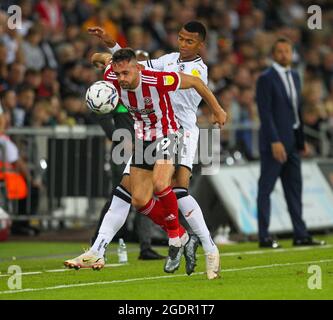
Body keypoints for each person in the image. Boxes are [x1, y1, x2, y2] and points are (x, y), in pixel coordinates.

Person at [65, 47, 226, 278]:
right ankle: (179, 235)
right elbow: (102, 59)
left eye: (126, 74)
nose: (121, 79)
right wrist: (97, 58)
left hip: (169, 134)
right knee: (139, 200)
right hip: (142, 138)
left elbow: (195, 83)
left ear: (138, 68)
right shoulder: (113, 75)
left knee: (162, 184)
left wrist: (217, 110)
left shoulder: (157, 79)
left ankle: (176, 240)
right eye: (118, 75)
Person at [90, 50, 165, 261]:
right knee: (119, 196)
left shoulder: (148, 91)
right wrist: (119, 138)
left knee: (145, 195)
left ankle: (145, 246)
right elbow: (99, 112)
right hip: (122, 152)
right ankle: (96, 242)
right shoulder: (116, 92)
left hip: (145, 148)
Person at [256, 37, 326, 248]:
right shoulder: (266, 78)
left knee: (294, 189)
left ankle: (300, 233)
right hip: (274, 143)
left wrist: (301, 140)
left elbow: (296, 111)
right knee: (266, 188)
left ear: (292, 53)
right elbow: (265, 112)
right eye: (280, 51)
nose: (284, 55)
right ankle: (264, 235)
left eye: (287, 51)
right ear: (273, 55)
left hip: (292, 142)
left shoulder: (295, 76)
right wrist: (275, 141)